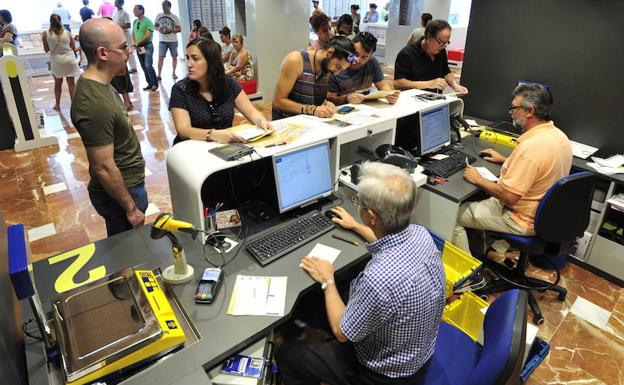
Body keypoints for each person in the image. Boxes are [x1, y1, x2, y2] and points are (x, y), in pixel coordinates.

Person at [276, 162, 445, 385]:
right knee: (342, 289)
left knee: (288, 355)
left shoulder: (378, 278)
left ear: (372, 216)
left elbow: (342, 333)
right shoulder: (420, 234)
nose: (357, 205)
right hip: (417, 353)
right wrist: (356, 226)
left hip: (383, 374)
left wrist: (328, 280)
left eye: (358, 202)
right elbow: (389, 241)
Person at [452, 84, 573, 256]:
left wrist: (478, 179)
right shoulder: (559, 136)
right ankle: (482, 252)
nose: (510, 112)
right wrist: (506, 160)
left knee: (452, 215)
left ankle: (468, 278)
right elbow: (541, 168)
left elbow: (509, 195)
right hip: (544, 216)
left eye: (514, 107)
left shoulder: (531, 148)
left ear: (529, 111)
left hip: (519, 218)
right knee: (479, 197)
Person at [70, 18, 147, 236]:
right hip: (122, 196)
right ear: (103, 53)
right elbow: (103, 166)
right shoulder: (93, 102)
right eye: (123, 47)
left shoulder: (102, 84)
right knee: (127, 253)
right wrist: (130, 208)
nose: (128, 51)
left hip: (129, 186)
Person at [169, 38, 271, 145]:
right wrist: (213, 135)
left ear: (211, 61)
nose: (189, 64)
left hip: (223, 147)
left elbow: (251, 111)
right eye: (188, 58)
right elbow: (183, 130)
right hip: (192, 150)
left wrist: (261, 121)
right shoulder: (180, 89)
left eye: (195, 59)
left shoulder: (229, 84)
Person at [272, 36, 356, 120]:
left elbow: (314, 100)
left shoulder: (327, 67)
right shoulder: (295, 60)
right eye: (338, 67)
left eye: (341, 70)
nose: (337, 73)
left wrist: (326, 104)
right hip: (287, 125)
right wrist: (312, 110)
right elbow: (278, 102)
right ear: (330, 52)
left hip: (311, 123)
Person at [394, 19, 468, 94]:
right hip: (413, 101)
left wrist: (455, 85)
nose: (442, 46)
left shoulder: (441, 51)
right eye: (440, 42)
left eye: (446, 43)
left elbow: (446, 72)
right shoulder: (406, 54)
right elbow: (398, 83)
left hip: (436, 99)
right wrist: (428, 84)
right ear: (428, 36)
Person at [328, 31, 398, 106]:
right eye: (355, 54)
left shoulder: (372, 62)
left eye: (364, 57)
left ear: (370, 56)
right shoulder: (337, 66)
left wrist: (389, 94)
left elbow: (383, 85)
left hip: (363, 109)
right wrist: (347, 98)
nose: (357, 60)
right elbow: (330, 99)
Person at [43, 13, 81, 111]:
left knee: (58, 84)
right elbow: (73, 47)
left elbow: (46, 49)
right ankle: (74, 105)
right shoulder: (67, 33)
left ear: (50, 21)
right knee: (71, 83)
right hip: (69, 60)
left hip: (57, 61)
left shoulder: (46, 33)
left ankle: (57, 105)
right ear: (60, 21)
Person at [132, 4, 158, 91]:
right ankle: (150, 83)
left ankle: (155, 84)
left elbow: (147, 36)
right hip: (139, 47)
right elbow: (133, 34)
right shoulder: (135, 22)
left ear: (141, 11)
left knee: (148, 65)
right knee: (143, 67)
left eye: (135, 9)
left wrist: (137, 43)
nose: (133, 11)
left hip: (147, 46)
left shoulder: (148, 21)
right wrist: (136, 44)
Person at [154, 0, 181, 80]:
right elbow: (155, 26)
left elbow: (179, 29)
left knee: (174, 57)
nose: (163, 7)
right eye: (162, 5)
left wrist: (171, 30)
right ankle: (159, 75)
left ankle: (174, 73)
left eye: (164, 6)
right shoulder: (159, 15)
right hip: (162, 41)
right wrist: (159, 29)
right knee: (160, 57)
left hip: (173, 41)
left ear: (169, 6)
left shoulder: (175, 17)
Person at [112, 0, 137, 73]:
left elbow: (128, 25)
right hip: (119, 34)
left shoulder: (125, 13)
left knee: (129, 50)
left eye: (116, 1)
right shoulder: (115, 12)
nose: (114, 3)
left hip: (126, 34)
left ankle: (133, 67)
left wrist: (117, 26)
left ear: (120, 3)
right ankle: (124, 66)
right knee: (122, 51)